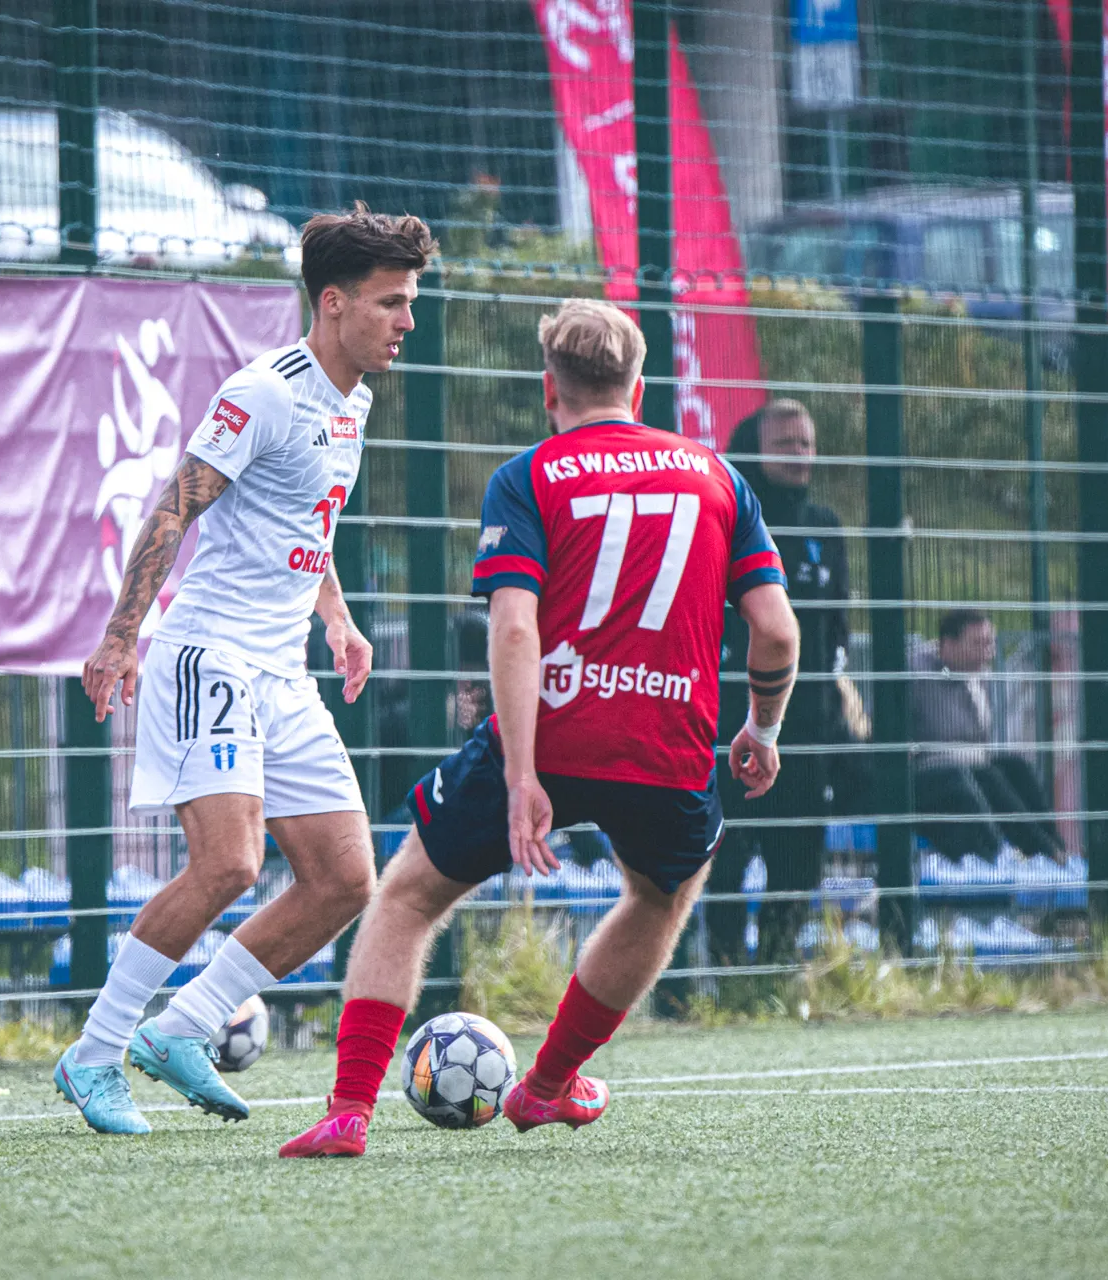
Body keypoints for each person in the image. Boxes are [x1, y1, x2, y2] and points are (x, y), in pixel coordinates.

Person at [278, 298, 799, 1158]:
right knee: (659, 897)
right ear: (639, 389)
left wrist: (523, 775)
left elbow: (515, 629)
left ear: (549, 390)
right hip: (666, 744)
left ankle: (349, 1111)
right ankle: (549, 1086)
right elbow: (775, 631)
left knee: (407, 897)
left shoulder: (529, 475)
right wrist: (764, 730)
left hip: (551, 734)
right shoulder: (717, 478)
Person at [51, 205, 438, 1135]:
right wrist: (120, 636)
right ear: (333, 302)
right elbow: (174, 509)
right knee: (229, 862)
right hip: (211, 655)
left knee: (346, 878)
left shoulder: (354, 401)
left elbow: (307, 523)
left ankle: (183, 1028)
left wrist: (337, 618)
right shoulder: (264, 391)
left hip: (283, 670)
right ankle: (94, 1053)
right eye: (391, 302)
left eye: (410, 302)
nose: (407, 322)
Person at [708, 401, 870, 967]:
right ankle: (723, 969)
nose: (799, 455)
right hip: (732, 724)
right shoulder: (727, 518)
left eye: (806, 443)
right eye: (784, 444)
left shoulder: (824, 525)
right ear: (754, 449)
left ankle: (774, 971)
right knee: (725, 856)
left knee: (798, 858)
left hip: (808, 729)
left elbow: (837, 623)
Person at [911, 610, 1064, 861]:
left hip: (968, 765)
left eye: (990, 643)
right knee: (987, 776)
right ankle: (1039, 854)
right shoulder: (915, 673)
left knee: (1015, 766)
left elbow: (979, 738)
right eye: (978, 644)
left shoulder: (977, 676)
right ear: (948, 645)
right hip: (927, 775)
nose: (989, 652)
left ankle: (1056, 846)